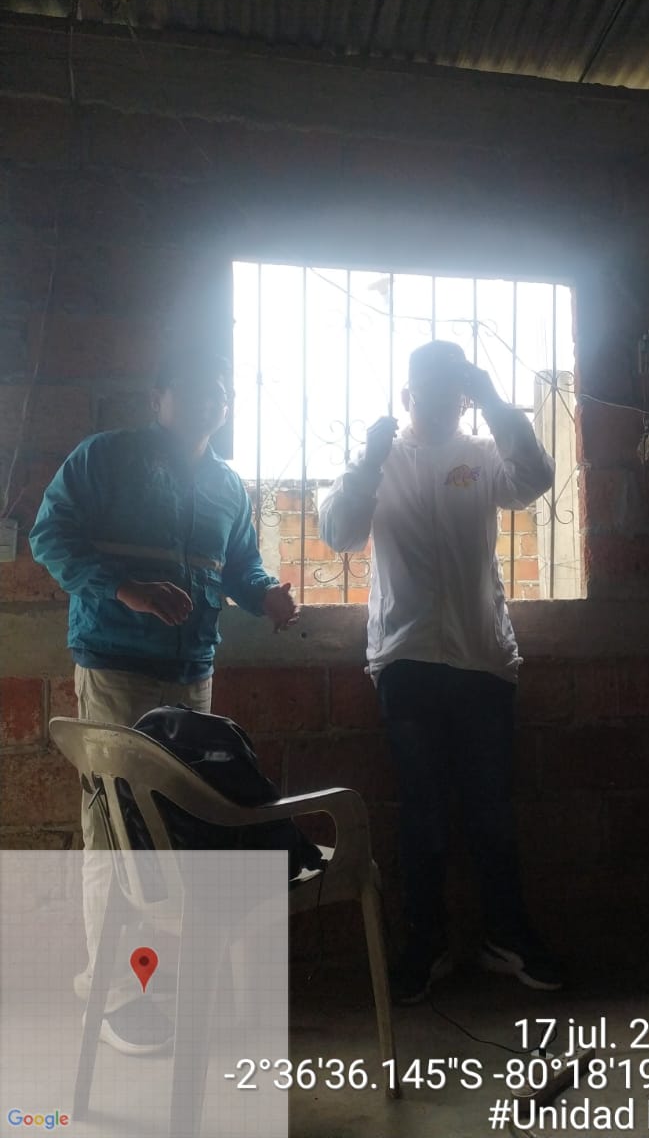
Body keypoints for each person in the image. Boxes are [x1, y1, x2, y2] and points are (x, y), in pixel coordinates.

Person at [30, 348, 299, 1053]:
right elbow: (49, 536)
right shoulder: (105, 458)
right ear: (158, 399)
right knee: (114, 825)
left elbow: (239, 566)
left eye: (221, 393)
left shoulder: (227, 486)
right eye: (194, 389)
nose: (211, 401)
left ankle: (155, 977)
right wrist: (128, 591)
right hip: (116, 669)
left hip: (190, 678)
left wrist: (266, 594)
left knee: (179, 826)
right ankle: (114, 996)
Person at [319, 339, 562, 1003]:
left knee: (492, 812)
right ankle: (424, 945)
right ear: (407, 396)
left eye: (454, 389)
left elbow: (537, 478)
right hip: (407, 665)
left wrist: (494, 400)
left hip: (482, 662)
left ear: (464, 395)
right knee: (422, 815)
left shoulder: (482, 456)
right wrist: (368, 461)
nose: (442, 401)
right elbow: (337, 532)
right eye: (429, 388)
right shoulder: (381, 461)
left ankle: (504, 936)